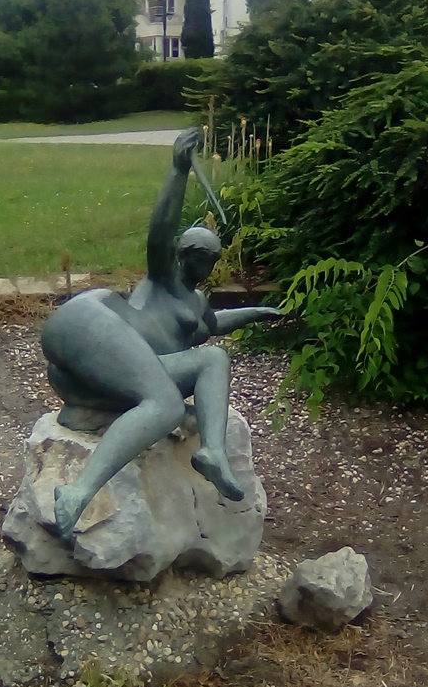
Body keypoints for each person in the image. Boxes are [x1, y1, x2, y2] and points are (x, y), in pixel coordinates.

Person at [40, 127, 281, 544]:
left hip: (121, 371)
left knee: (214, 359)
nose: (206, 265)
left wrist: (258, 312)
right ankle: (77, 492)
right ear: (182, 256)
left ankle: (213, 452)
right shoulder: (164, 277)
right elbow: (160, 231)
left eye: (212, 259)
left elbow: (213, 326)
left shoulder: (196, 302)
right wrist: (178, 171)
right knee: (167, 405)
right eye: (199, 256)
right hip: (90, 323)